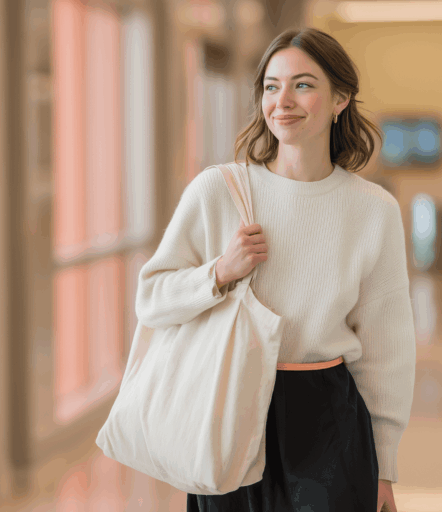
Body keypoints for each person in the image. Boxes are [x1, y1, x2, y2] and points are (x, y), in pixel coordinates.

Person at [134, 27, 415, 512]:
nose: (283, 100)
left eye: (303, 85)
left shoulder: (374, 210)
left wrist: (384, 467)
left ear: (340, 99)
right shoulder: (217, 191)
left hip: (328, 415)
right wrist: (219, 272)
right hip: (227, 404)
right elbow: (152, 298)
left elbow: (387, 348)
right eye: (271, 86)